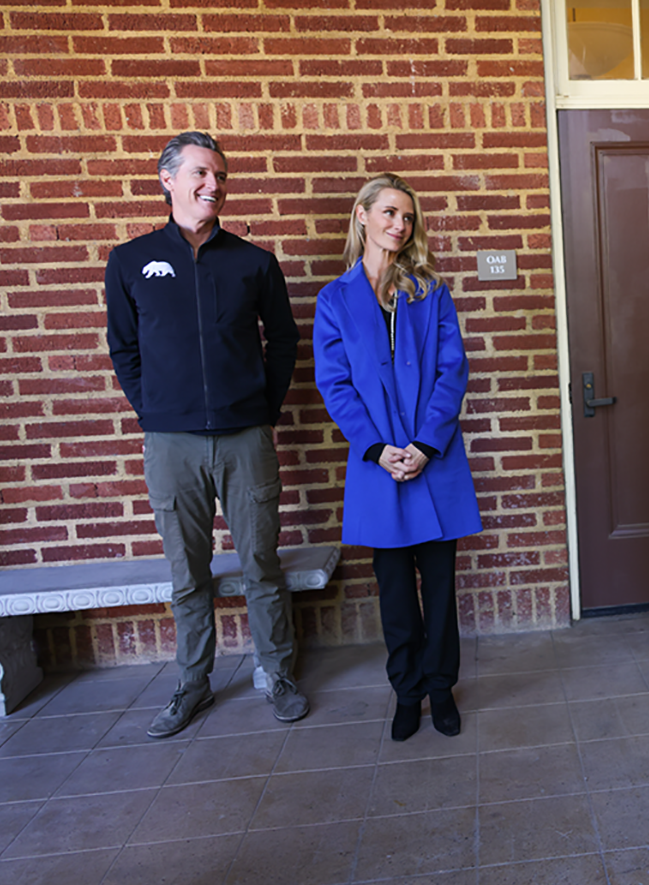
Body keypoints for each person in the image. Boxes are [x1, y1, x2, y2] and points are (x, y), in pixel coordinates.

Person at [106, 131, 307, 738]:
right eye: (200, 173)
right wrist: (153, 411)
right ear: (167, 179)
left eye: (219, 175)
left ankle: (277, 673)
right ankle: (193, 683)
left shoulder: (253, 261)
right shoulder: (130, 261)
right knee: (187, 573)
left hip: (246, 438)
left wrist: (262, 409)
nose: (213, 186)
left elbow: (285, 341)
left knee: (261, 565)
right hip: (170, 445)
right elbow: (124, 348)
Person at [313, 174, 482, 742]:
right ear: (362, 216)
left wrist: (424, 445)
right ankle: (407, 693)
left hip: (432, 462)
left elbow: (451, 370)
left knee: (438, 593)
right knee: (394, 597)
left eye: (407, 217)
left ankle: (441, 689)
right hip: (376, 468)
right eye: (388, 213)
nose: (399, 225)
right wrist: (379, 448)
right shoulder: (334, 300)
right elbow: (335, 385)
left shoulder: (429, 290)